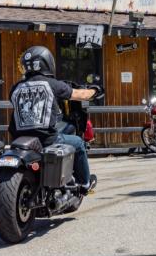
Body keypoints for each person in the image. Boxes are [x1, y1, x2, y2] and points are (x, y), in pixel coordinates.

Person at [8, 45, 99, 194]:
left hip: (20, 140)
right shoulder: (52, 84)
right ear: (47, 62)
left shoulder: (16, 88)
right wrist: (95, 90)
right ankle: (84, 183)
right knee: (79, 144)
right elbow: (80, 95)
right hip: (46, 139)